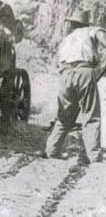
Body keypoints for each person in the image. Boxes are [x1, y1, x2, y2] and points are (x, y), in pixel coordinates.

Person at [42, 10, 105, 164]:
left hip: (65, 76)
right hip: (84, 71)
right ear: (85, 23)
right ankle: (94, 156)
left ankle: (51, 150)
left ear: (73, 23)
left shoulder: (67, 39)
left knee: (64, 116)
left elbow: (59, 62)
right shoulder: (92, 30)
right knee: (91, 115)